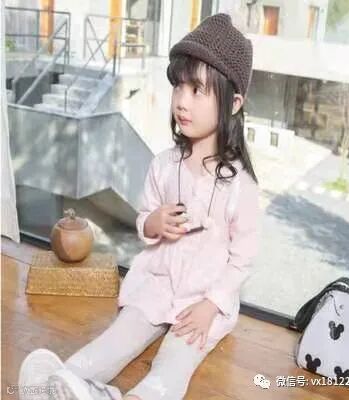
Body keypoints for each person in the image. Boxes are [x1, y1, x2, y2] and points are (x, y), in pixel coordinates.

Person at [18, 13, 261, 400]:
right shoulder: (163, 165)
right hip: (156, 285)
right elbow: (143, 220)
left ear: (233, 103)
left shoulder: (240, 187)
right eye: (178, 86)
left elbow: (242, 260)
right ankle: (61, 382)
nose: (181, 101)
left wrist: (211, 305)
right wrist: (153, 223)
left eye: (197, 90)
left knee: (173, 363)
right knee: (117, 338)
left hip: (202, 301)